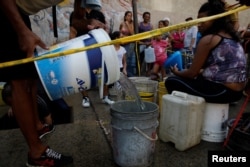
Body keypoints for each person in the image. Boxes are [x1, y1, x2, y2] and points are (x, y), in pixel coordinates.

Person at [0, 0, 103, 166]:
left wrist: (89, 23)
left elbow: (76, 20)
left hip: (20, 13)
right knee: (19, 81)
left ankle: (38, 126)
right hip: (6, 9)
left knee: (30, 77)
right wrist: (21, 30)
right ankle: (36, 154)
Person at [165, 0, 247, 104]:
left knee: (171, 81)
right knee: (198, 78)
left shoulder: (209, 39)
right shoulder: (231, 36)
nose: (199, 25)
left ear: (215, 20)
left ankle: (190, 115)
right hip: (237, 92)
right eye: (198, 21)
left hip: (223, 91)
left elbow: (191, 73)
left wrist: (176, 72)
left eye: (203, 20)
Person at [70, 0, 114, 106]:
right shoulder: (76, 14)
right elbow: (72, 30)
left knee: (103, 72)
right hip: (81, 47)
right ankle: (85, 98)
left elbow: (105, 29)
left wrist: (99, 27)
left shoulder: (98, 13)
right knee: (82, 74)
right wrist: (71, 48)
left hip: (97, 47)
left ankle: (105, 97)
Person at [119, 11, 136, 77]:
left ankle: (130, 75)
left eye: (130, 16)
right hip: (123, 43)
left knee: (128, 59)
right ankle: (123, 73)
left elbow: (132, 33)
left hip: (130, 43)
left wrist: (127, 24)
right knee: (123, 58)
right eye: (128, 15)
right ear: (125, 16)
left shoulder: (132, 24)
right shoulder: (122, 24)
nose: (129, 17)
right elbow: (120, 32)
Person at [138, 11, 154, 76]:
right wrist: (142, 43)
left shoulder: (151, 25)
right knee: (139, 57)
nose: (147, 18)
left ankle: (148, 71)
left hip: (149, 44)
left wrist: (150, 43)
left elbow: (152, 35)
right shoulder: (139, 24)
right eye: (146, 16)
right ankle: (139, 71)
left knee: (149, 58)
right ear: (143, 17)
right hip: (141, 43)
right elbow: (137, 34)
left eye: (148, 17)